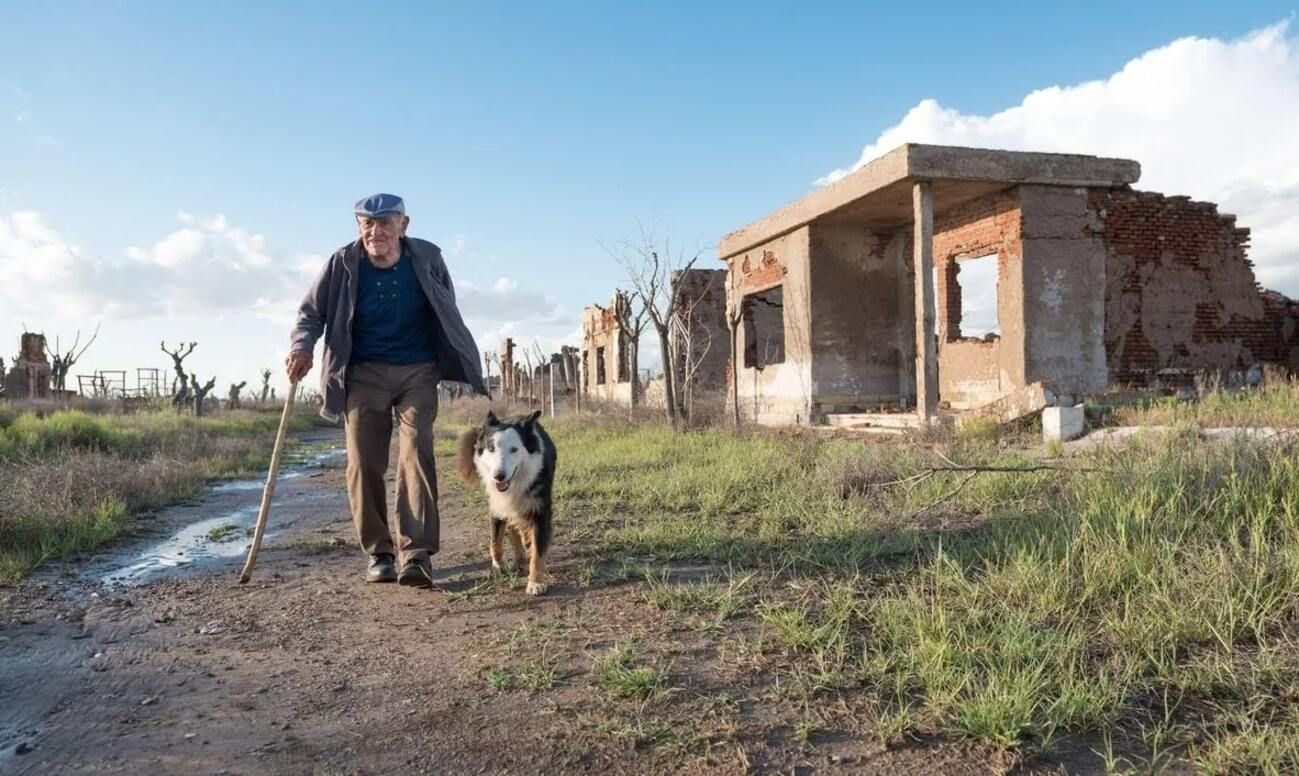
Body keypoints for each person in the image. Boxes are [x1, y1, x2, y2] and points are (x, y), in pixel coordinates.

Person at [287, 193, 487, 587]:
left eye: (384, 223)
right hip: (363, 373)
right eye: (367, 224)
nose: (375, 231)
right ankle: (380, 552)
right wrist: (301, 347)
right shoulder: (342, 264)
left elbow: (445, 306)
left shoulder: (428, 259)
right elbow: (311, 313)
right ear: (359, 227)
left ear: (403, 225)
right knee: (363, 463)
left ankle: (416, 554)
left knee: (416, 453)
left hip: (418, 371)